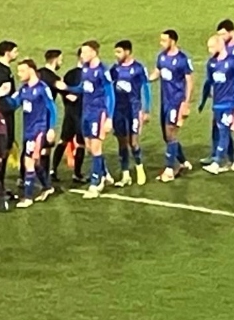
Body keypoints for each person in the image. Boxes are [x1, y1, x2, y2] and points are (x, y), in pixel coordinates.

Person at [0, 59, 57, 208]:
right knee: (34, 162)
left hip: (39, 130)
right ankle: (48, 187)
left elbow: (52, 108)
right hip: (27, 130)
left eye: (22, 71)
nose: (19, 74)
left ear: (31, 70)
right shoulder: (23, 90)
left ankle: (28, 198)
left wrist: (51, 128)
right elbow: (13, 103)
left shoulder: (42, 88)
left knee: (28, 162)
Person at [56, 41, 114, 199]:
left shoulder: (103, 71)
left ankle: (96, 184)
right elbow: (83, 88)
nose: (82, 55)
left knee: (96, 147)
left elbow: (110, 94)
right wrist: (66, 88)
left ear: (94, 52)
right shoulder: (86, 70)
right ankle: (104, 173)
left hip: (98, 113)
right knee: (89, 148)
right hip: (86, 112)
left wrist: (108, 117)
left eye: (84, 52)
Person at [203, 19, 234, 166]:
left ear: (232, 32)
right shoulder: (220, 48)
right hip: (222, 93)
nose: (221, 37)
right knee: (217, 121)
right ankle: (216, 153)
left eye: (223, 34)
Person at [149, 30, 195, 183]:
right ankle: (183, 162)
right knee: (166, 136)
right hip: (165, 101)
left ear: (173, 41)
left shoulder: (182, 59)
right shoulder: (161, 57)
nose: (161, 43)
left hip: (176, 101)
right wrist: (144, 79)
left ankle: (169, 169)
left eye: (164, 40)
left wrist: (186, 103)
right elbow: (157, 73)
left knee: (171, 133)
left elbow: (189, 81)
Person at [199, 35, 234, 174]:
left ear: (220, 45)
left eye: (212, 47)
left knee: (224, 131)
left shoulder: (233, 62)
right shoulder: (211, 64)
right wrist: (203, 101)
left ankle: (217, 161)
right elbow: (208, 83)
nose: (209, 50)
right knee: (223, 131)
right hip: (217, 104)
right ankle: (232, 161)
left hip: (229, 104)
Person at [110, 40, 151, 187]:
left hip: (133, 110)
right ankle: (125, 174)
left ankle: (140, 168)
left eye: (119, 52)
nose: (116, 55)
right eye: (116, 52)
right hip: (118, 110)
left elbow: (146, 89)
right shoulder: (114, 70)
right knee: (121, 142)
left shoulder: (138, 68)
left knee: (133, 142)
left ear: (127, 52)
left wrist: (146, 110)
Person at [50, 49, 86, 183]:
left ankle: (53, 170)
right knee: (81, 144)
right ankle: (77, 174)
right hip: (81, 113)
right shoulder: (86, 74)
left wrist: (67, 101)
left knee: (63, 140)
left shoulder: (69, 74)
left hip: (69, 112)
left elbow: (63, 91)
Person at [0, 41, 19, 190]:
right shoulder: (1, 71)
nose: (17, 54)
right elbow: (3, 93)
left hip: (7, 113)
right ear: (7, 52)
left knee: (6, 148)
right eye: (15, 51)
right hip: (4, 115)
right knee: (2, 149)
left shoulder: (5, 69)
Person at [37, 49, 63, 173]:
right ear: (56, 59)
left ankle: (22, 177)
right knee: (45, 148)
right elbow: (68, 94)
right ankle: (45, 178)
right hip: (46, 114)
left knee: (30, 145)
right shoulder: (54, 78)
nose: (61, 62)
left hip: (33, 114)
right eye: (61, 59)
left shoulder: (38, 73)